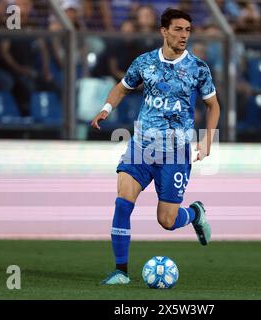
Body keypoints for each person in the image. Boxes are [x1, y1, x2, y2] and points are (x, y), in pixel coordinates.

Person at [91, 8, 220, 285]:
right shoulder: (145, 63)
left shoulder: (198, 68)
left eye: (187, 30)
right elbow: (123, 87)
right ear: (164, 31)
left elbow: (213, 105)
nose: (184, 35)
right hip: (142, 146)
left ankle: (195, 213)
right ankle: (121, 272)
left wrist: (208, 138)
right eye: (178, 29)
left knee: (167, 220)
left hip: (175, 152)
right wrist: (106, 108)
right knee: (123, 202)